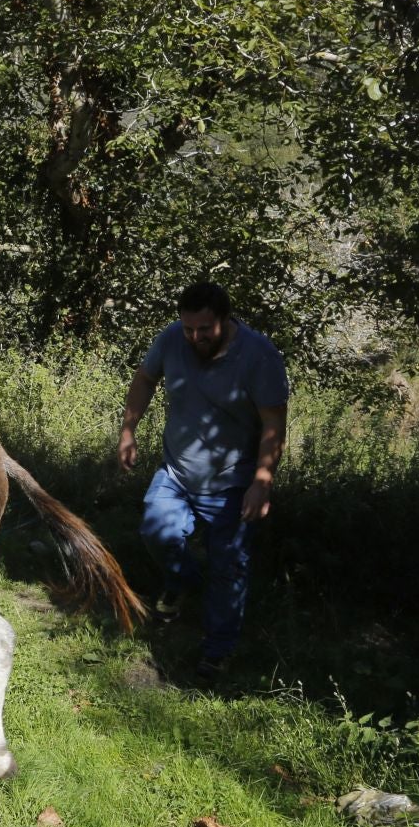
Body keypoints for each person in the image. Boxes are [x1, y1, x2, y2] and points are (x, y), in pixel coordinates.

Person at [117, 281, 290, 680]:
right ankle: (180, 582)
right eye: (188, 329)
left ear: (225, 320)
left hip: (232, 482)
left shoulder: (258, 356)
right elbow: (145, 379)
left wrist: (262, 481)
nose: (194, 338)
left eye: (204, 330)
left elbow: (273, 423)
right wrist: (129, 431)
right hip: (176, 472)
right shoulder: (171, 339)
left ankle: (217, 651)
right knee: (156, 531)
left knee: (228, 568)